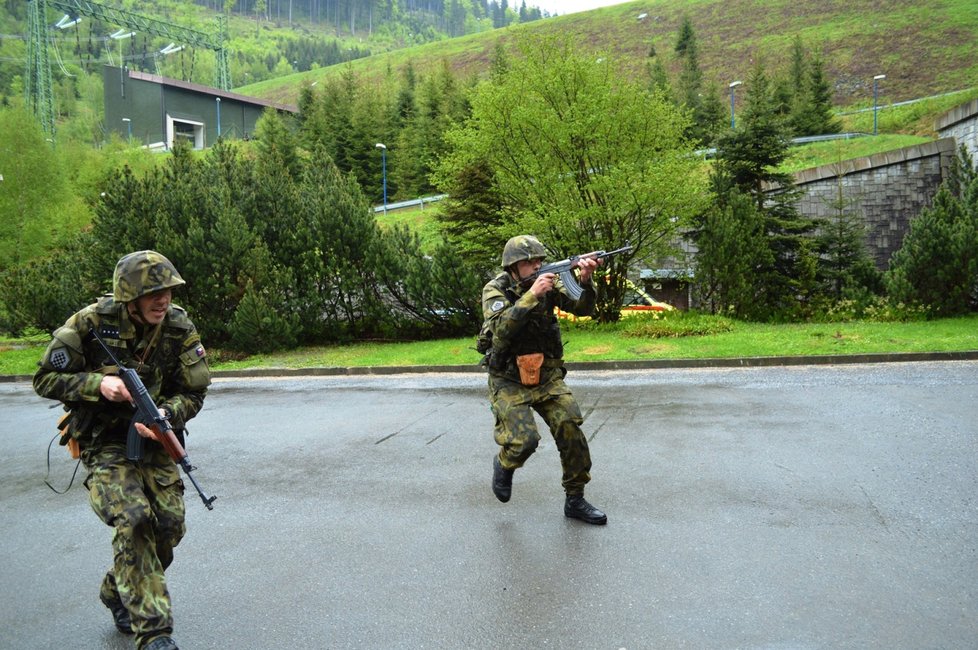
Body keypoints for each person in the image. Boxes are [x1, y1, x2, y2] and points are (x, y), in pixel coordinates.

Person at [33, 250, 211, 650]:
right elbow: (44, 378)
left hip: (156, 437)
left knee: (168, 526)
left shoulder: (179, 326)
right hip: (104, 441)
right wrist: (100, 386)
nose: (162, 300)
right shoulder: (91, 322)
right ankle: (154, 633)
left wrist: (167, 412)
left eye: (167, 291)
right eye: (153, 293)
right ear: (129, 295)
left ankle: (118, 589)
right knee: (134, 519)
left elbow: (195, 392)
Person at [479, 235, 607, 525]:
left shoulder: (550, 281)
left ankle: (575, 499)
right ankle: (504, 464)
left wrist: (585, 279)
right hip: (507, 378)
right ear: (513, 266)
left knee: (570, 426)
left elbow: (583, 309)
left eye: (539, 260)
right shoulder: (494, 289)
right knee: (524, 440)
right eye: (530, 262)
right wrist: (531, 296)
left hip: (546, 375)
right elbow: (500, 331)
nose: (537, 265)